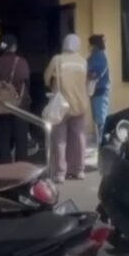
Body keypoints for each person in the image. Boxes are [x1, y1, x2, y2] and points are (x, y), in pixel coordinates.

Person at [44, 34, 91, 182]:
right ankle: (79, 171)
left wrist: (53, 83)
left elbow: (46, 78)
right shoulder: (83, 61)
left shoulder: (57, 60)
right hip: (80, 104)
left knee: (60, 139)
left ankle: (60, 173)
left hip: (61, 106)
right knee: (79, 138)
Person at [0, 34, 30, 163]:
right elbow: (26, 78)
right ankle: (21, 169)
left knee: (3, 139)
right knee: (21, 139)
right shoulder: (21, 62)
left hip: (0, 105)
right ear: (14, 46)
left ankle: (6, 168)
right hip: (19, 105)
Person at [87, 34, 110, 146]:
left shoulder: (100, 56)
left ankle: (102, 143)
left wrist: (88, 75)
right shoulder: (94, 55)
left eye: (90, 44)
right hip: (96, 91)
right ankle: (100, 141)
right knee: (97, 118)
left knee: (100, 119)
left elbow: (94, 74)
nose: (89, 46)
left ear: (94, 45)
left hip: (100, 90)